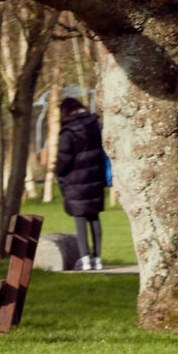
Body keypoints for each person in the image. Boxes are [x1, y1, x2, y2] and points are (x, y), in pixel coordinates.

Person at [51, 93, 108, 268]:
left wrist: (57, 171)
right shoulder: (94, 125)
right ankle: (97, 259)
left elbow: (64, 159)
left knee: (80, 218)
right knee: (95, 217)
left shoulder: (68, 131)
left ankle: (85, 259)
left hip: (75, 181)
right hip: (95, 177)